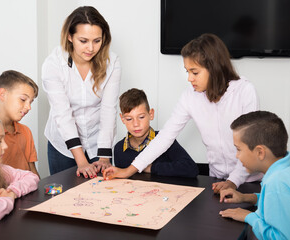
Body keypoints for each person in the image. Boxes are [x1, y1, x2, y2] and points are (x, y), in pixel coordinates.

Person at [103, 33, 262, 192]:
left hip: (249, 180)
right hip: (216, 179)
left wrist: (233, 181)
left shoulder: (244, 91)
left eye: (195, 72)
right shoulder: (189, 97)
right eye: (187, 72)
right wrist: (128, 171)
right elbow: (164, 137)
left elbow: (250, 145)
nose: (189, 79)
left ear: (214, 68)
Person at [42, 6, 121, 178]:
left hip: (97, 141)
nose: (91, 48)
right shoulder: (53, 64)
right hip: (62, 144)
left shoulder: (112, 62)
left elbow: (108, 110)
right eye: (83, 41)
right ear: (70, 37)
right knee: (64, 200)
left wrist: (105, 156)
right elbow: (62, 114)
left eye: (97, 41)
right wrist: (81, 161)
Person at [219, 111, 290, 240]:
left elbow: (280, 237)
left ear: (260, 152)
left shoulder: (276, 183)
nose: (237, 155)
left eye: (239, 149)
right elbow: (282, 204)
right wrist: (247, 198)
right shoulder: (284, 167)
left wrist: (249, 217)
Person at [114, 88, 198, 177]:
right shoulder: (119, 149)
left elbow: (191, 168)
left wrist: (151, 168)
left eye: (141, 117)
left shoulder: (166, 140)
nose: (136, 124)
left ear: (151, 114)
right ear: (122, 119)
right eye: (129, 119)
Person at [0, 70, 40, 178]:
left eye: (31, 102)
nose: (29, 107)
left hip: (26, 191)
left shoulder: (25, 132)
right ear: (2, 94)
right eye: (23, 99)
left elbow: (32, 171)